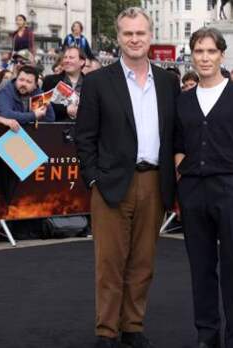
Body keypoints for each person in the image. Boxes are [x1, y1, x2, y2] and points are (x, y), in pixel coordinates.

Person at [74, 7, 180, 348]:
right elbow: (84, 137)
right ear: (118, 38)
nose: (134, 39)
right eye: (128, 33)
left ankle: (133, 327)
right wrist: (93, 178)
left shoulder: (168, 82)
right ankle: (106, 331)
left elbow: (175, 133)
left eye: (141, 33)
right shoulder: (97, 82)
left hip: (155, 182)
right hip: (111, 184)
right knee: (109, 263)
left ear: (150, 36)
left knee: (143, 262)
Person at [174, 27, 233, 348]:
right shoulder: (183, 101)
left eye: (211, 51)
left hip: (231, 189)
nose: (205, 57)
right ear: (192, 55)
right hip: (194, 193)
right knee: (201, 268)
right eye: (199, 51)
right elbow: (178, 144)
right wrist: (182, 176)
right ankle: (207, 336)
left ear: (221, 55)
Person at [42, 47, 86, 121]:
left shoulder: (90, 83)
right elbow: (42, 105)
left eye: (71, 58)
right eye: (65, 57)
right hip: (55, 129)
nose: (67, 60)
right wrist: (66, 109)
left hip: (82, 129)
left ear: (82, 61)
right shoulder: (50, 81)